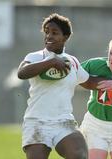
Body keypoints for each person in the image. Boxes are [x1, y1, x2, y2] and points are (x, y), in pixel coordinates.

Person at [17, 13, 100, 159]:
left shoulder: (72, 61)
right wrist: (51, 61)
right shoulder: (35, 57)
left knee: (79, 155)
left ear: (66, 37)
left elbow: (89, 82)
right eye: (47, 32)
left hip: (63, 121)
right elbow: (22, 73)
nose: (49, 36)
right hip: (36, 121)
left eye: (54, 33)